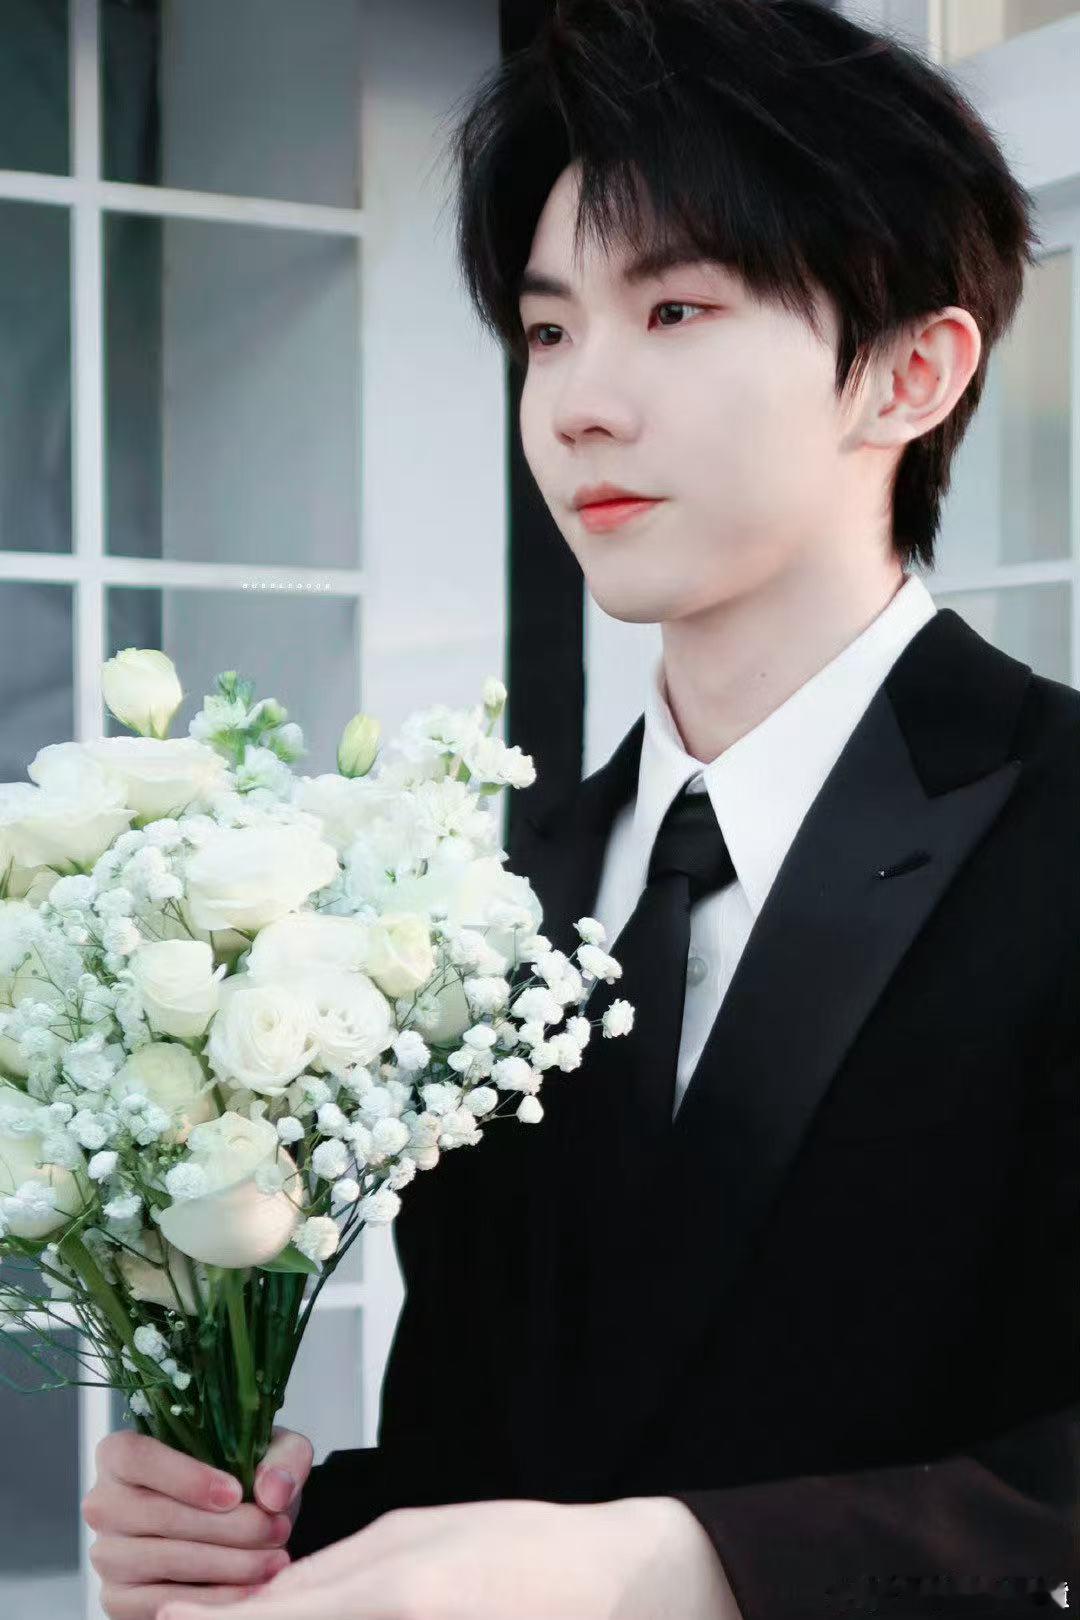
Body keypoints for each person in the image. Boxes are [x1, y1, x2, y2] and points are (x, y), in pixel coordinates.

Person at [82, 2, 1080, 1615]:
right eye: (548, 333)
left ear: (911, 370)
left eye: (675, 308)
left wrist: (677, 1564)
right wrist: (268, 1534)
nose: (577, 405)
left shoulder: (1055, 821)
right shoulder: (502, 893)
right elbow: (503, 1459)